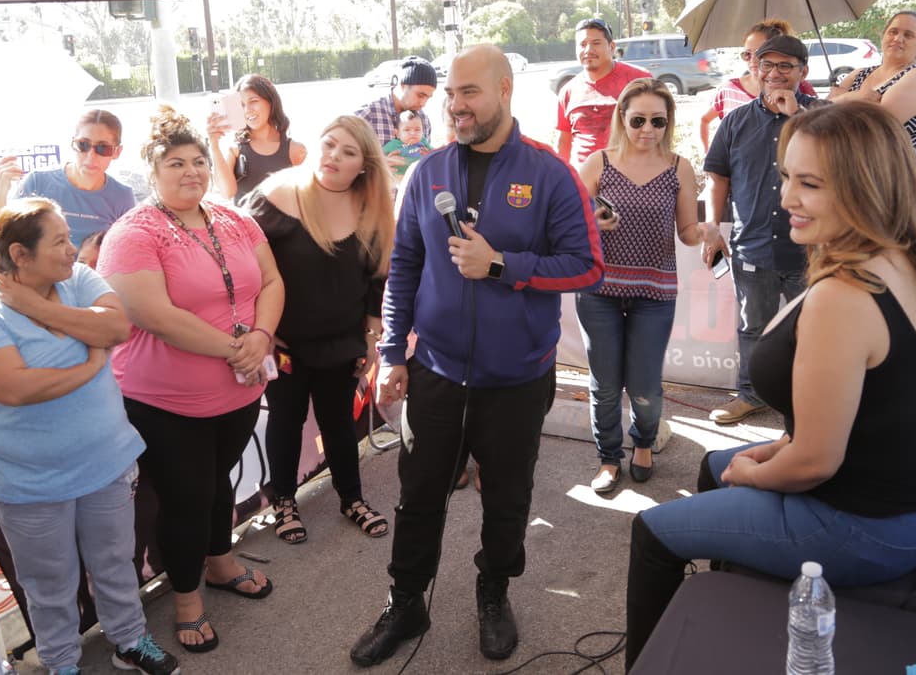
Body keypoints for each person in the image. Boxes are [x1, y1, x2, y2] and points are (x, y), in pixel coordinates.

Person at [624, 103, 916, 671]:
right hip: (909, 499)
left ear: (866, 188)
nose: (785, 197)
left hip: (867, 528)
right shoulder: (899, 254)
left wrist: (756, 471)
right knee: (713, 467)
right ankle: (721, 613)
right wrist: (770, 453)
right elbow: (858, 416)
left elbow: (814, 460)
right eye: (786, 175)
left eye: (809, 183)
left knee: (653, 531)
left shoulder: (845, 296)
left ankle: (650, 661)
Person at [350, 45, 603, 667]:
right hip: (435, 371)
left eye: (470, 92)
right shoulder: (428, 172)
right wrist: (392, 352)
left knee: (508, 497)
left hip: (517, 378)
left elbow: (588, 265)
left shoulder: (550, 173)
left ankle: (494, 591)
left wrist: (501, 266)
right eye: (450, 94)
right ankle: (405, 601)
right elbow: (405, 265)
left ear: (505, 89)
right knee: (417, 496)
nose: (456, 105)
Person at [0, 199, 178, 675]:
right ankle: (61, 663)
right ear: (20, 253)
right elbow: (14, 389)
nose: (72, 249)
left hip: (106, 462)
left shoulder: (78, 280)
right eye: (58, 241)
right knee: (49, 583)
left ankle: (129, 640)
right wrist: (90, 363)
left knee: (116, 561)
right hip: (31, 481)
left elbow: (117, 326)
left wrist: (33, 306)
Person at [98, 106, 284, 654]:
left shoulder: (234, 219)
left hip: (240, 387)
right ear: (152, 173)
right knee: (185, 496)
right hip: (165, 400)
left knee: (216, 480)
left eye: (198, 161)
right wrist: (238, 348)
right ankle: (186, 601)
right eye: (175, 163)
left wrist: (263, 338)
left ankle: (221, 562)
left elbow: (271, 280)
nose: (191, 172)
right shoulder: (133, 232)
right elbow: (154, 314)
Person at [239, 115, 394, 545]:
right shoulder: (277, 194)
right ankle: (284, 502)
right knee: (285, 422)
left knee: (339, 423)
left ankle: (352, 498)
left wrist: (370, 336)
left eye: (348, 152)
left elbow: (376, 277)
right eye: (329, 145)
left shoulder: (370, 207)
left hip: (342, 342)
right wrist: (259, 329)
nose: (333, 157)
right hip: (285, 343)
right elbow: (240, 260)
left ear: (363, 166)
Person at [577, 79, 715, 493]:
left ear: (668, 122)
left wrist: (706, 230)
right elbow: (568, 226)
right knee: (604, 385)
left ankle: (644, 444)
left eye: (658, 120)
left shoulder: (679, 167)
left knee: (645, 385)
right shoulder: (597, 163)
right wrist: (592, 225)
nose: (647, 129)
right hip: (599, 290)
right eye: (638, 119)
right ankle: (607, 458)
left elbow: (687, 233)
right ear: (622, 117)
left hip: (655, 291)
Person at [701, 35, 821, 425]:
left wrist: (796, 116)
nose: (774, 73)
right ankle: (751, 395)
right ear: (755, 69)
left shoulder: (822, 117)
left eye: (785, 66)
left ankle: (813, 400)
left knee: (816, 330)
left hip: (812, 251)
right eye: (766, 65)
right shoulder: (736, 121)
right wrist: (713, 229)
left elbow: (843, 166)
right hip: (753, 248)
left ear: (803, 71)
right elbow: (718, 177)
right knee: (753, 327)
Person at [0, 108, 136, 249]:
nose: (91, 156)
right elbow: (0, 239)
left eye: (102, 148)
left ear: (117, 152)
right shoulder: (38, 182)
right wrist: (1, 192)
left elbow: (127, 253)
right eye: (83, 145)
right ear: (73, 144)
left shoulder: (122, 196)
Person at [831, 10, 916, 172]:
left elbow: (873, 125)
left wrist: (839, 100)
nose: (898, 39)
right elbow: (820, 114)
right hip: (852, 175)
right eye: (893, 32)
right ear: (883, 36)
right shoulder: (859, 74)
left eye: (908, 35)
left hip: (895, 183)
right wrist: (856, 97)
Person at [699, 19, 819, 152]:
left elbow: (822, 133)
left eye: (758, 53)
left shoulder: (801, 89)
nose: (752, 60)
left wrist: (797, 113)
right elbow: (705, 120)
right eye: (747, 54)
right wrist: (706, 151)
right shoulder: (729, 90)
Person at [554, 18, 651, 166]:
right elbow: (563, 142)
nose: (588, 50)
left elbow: (658, 130)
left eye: (596, 43)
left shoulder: (639, 80)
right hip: (582, 183)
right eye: (582, 44)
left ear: (611, 47)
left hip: (632, 179)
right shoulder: (568, 91)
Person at [207, 74, 307, 203]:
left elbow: (307, 201)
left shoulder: (295, 150)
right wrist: (214, 144)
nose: (247, 110)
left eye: (253, 101)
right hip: (246, 223)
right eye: (241, 105)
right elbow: (227, 192)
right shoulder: (235, 150)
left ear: (270, 101)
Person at [356, 56, 438, 171]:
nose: (423, 103)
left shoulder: (423, 119)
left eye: (428, 97)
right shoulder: (367, 115)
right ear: (402, 86)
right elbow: (341, 161)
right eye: (420, 95)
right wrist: (374, 165)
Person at [381, 110, 432, 179]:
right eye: (407, 130)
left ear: (422, 131)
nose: (413, 133)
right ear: (397, 133)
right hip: (400, 177)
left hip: (420, 175)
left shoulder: (423, 142)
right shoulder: (394, 144)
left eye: (417, 130)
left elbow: (434, 152)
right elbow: (379, 155)